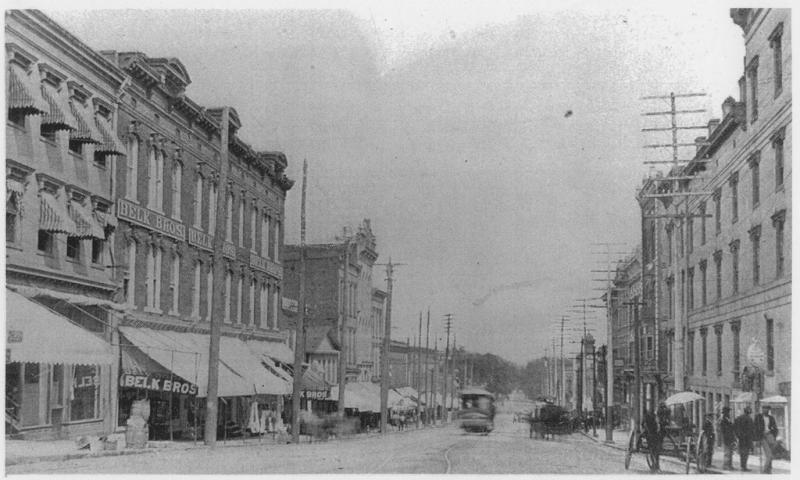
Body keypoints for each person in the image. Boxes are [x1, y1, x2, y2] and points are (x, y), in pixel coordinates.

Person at [754, 405, 779, 474]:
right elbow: (755, 428)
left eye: (767, 409)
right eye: (764, 409)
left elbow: (775, 428)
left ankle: (769, 469)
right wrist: (757, 439)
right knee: (769, 455)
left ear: (769, 410)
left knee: (771, 453)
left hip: (770, 436)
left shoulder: (771, 418)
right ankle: (765, 471)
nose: (765, 410)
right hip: (762, 437)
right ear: (762, 409)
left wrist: (773, 435)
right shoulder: (758, 417)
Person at [734, 406, 755, 472]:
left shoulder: (739, 418)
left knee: (742, 453)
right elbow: (752, 429)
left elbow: (735, 428)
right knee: (745, 453)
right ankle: (744, 466)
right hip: (747, 438)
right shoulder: (749, 419)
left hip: (741, 438)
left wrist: (738, 436)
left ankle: (742, 466)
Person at [642, 407, 661, 472]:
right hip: (653, 434)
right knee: (655, 449)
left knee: (653, 449)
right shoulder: (654, 416)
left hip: (651, 435)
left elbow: (643, 425)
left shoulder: (647, 417)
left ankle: (655, 464)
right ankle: (655, 465)